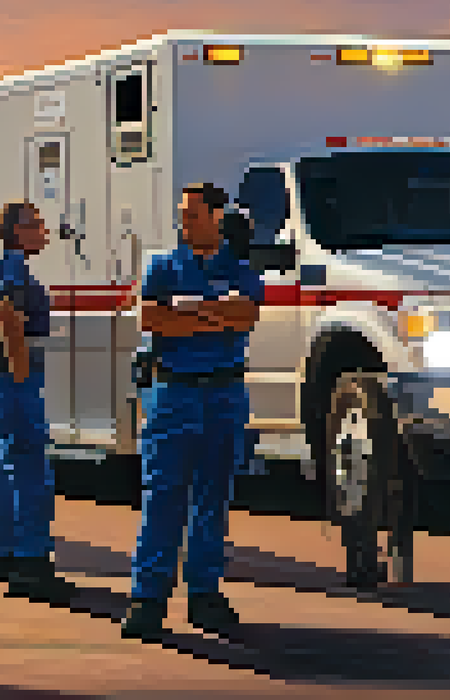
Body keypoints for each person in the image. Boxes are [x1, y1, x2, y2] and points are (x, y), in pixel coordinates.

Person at [121, 182, 263, 641]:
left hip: (223, 396)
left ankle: (204, 594)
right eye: (183, 214)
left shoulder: (240, 268)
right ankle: (148, 597)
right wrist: (211, 314)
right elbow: (151, 319)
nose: (185, 222)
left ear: (218, 217)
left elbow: (245, 315)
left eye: (195, 214)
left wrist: (187, 313)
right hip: (172, 396)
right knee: (161, 496)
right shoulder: (162, 266)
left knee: (212, 498)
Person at [0, 200, 77, 604]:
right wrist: (20, 373)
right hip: (11, 380)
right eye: (36, 225)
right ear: (18, 232)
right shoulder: (14, 272)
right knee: (31, 469)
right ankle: (32, 563)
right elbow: (7, 316)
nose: (44, 232)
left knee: (6, 465)